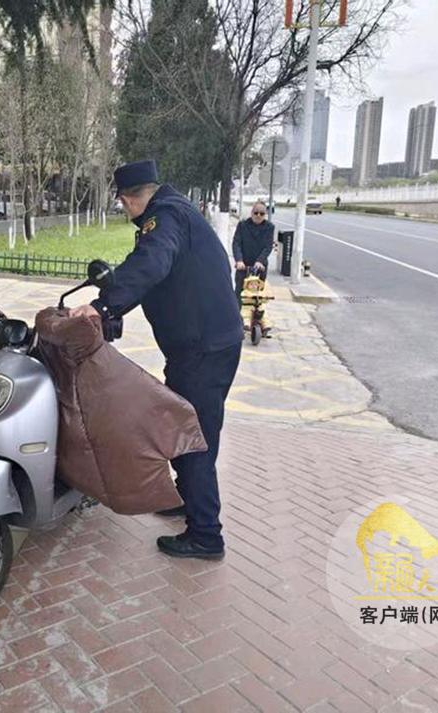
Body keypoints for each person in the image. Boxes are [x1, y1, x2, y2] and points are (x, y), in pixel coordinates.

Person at [69, 159, 243, 560]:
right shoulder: (178, 211)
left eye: (122, 203)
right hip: (205, 345)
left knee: (192, 438)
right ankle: (188, 501)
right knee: (181, 427)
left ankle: (205, 535)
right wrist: (112, 309)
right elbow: (156, 274)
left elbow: (151, 264)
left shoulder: (163, 219)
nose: (124, 210)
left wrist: (101, 307)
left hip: (202, 350)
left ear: (129, 199)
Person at [231, 201, 275, 303]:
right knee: (239, 294)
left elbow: (268, 246)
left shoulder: (269, 227)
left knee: (257, 298)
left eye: (262, 213)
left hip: (259, 267)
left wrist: (260, 261)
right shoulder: (242, 225)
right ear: (251, 213)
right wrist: (239, 260)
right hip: (243, 265)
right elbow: (236, 243)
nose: (258, 215)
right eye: (256, 213)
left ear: (265, 214)